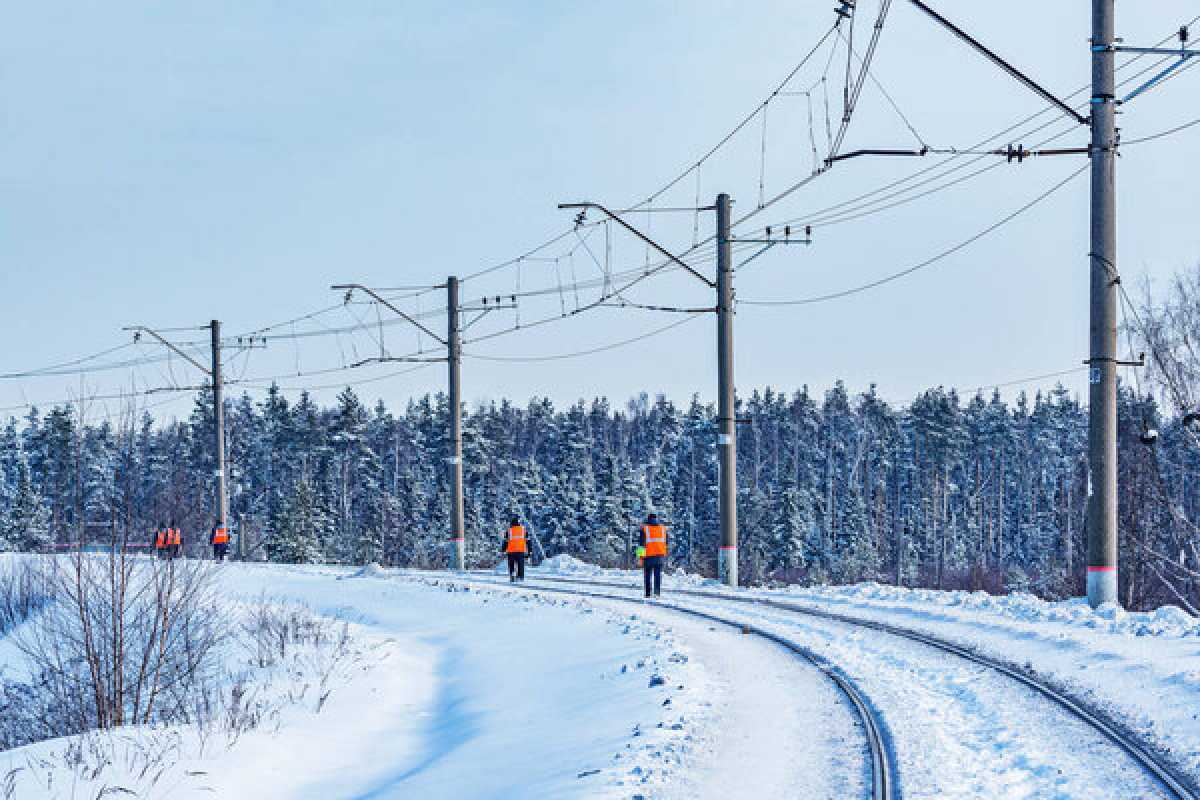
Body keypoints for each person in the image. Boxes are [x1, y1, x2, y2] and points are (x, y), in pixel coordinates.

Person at [639, 513, 667, 598]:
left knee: (647, 575)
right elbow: (666, 542)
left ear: (648, 519)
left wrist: (640, 558)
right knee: (657, 575)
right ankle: (657, 593)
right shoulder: (663, 529)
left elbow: (641, 545)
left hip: (648, 556)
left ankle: (648, 594)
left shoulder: (645, 529)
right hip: (660, 556)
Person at [503, 516, 527, 582]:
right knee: (520, 564)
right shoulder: (523, 530)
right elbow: (528, 541)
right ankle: (520, 577)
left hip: (511, 551)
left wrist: (503, 549)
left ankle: (512, 574)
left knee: (511, 564)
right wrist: (530, 550)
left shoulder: (509, 531)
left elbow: (505, 541)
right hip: (521, 550)